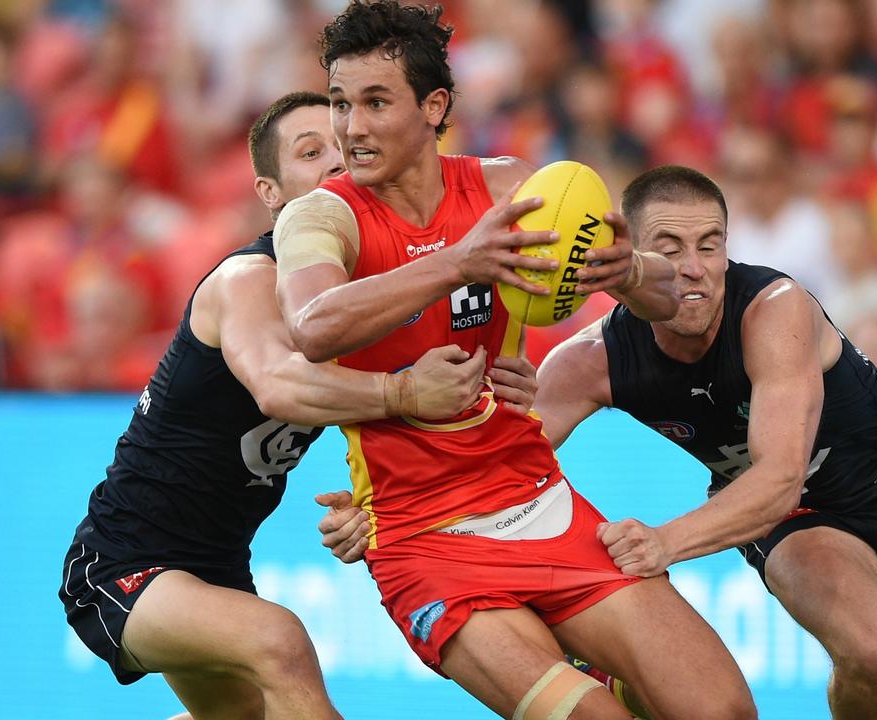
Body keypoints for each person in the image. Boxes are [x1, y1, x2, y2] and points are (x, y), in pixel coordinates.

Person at [274, 3, 755, 719]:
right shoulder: (321, 216)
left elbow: (677, 299)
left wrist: (625, 273)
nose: (352, 128)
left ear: (434, 106)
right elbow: (314, 326)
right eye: (342, 103)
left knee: (723, 713)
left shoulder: (509, 189)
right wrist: (457, 261)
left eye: (376, 102)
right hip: (423, 540)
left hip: (540, 503)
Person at [56, 90, 539, 720]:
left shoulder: (366, 299)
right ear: (271, 192)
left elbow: (402, 421)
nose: (336, 162)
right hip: (125, 557)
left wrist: (373, 503)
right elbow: (279, 387)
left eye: (344, 148)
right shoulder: (247, 279)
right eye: (311, 153)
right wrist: (404, 392)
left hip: (219, 565)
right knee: (280, 642)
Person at [532, 166, 877, 720]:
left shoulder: (774, 306)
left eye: (710, 246)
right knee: (873, 651)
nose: (693, 269)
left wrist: (662, 543)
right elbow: (497, 464)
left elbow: (781, 474)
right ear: (630, 258)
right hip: (795, 516)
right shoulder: (590, 361)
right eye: (669, 248)